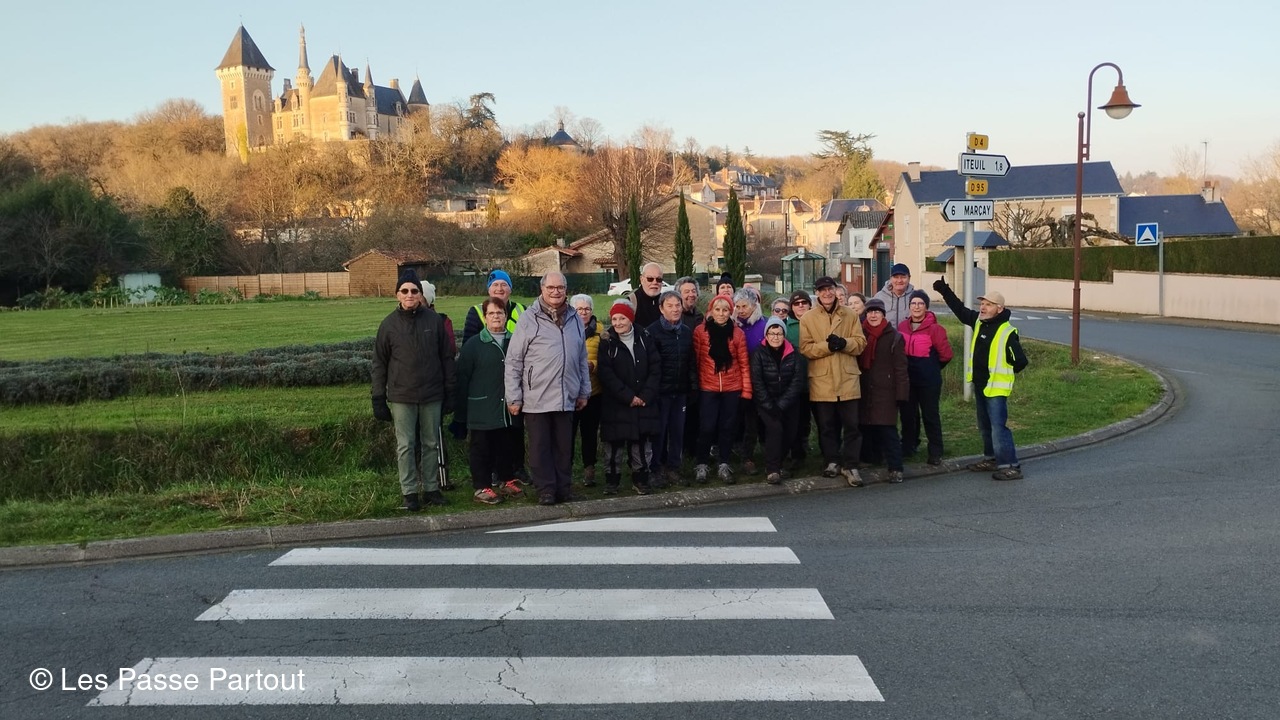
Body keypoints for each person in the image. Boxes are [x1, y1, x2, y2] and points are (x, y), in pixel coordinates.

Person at [371, 269, 457, 511]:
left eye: (414, 290)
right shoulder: (388, 325)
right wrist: (378, 397)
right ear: (397, 295)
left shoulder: (434, 322)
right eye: (405, 290)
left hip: (432, 394)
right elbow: (379, 363)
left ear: (421, 294)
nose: (409, 294)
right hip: (402, 395)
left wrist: (451, 391)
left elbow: (447, 357)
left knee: (431, 443)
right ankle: (409, 492)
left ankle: (431, 488)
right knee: (406, 445)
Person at [504, 271, 592, 504]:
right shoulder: (528, 319)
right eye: (551, 287)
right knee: (540, 447)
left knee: (564, 447)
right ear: (542, 289)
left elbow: (581, 358)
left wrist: (584, 391)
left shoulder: (574, 318)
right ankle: (546, 490)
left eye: (560, 287)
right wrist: (514, 397)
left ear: (566, 290)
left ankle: (563, 488)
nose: (555, 292)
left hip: (566, 395)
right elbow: (514, 360)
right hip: (537, 396)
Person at [933, 278, 1029, 481]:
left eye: (988, 305)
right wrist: (944, 290)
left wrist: (1005, 371)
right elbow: (960, 310)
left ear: (999, 309)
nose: (983, 308)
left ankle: (1011, 466)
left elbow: (1020, 361)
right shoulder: (979, 322)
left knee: (998, 428)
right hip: (980, 384)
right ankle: (991, 458)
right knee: (985, 426)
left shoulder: (1007, 332)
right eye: (982, 304)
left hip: (996, 388)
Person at [454, 297, 526, 505]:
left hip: (507, 406)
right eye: (491, 313)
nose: (496, 317)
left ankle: (506, 480)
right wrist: (460, 414)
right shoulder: (473, 345)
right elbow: (463, 379)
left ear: (506, 316)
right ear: (485, 317)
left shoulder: (515, 341)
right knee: (481, 448)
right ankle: (481, 487)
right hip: (482, 407)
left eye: (500, 313)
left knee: (506, 445)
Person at [799, 275, 867, 486]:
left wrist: (844, 343)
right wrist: (827, 347)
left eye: (830, 289)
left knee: (852, 425)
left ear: (835, 291)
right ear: (817, 293)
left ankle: (851, 464)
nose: (827, 293)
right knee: (827, 426)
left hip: (847, 378)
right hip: (822, 380)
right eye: (822, 290)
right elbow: (806, 348)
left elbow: (860, 343)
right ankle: (832, 461)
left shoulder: (850, 315)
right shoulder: (808, 318)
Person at [597, 299, 661, 495]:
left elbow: (655, 368)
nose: (618, 323)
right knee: (614, 446)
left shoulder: (645, 337)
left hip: (643, 402)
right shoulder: (607, 341)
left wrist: (644, 395)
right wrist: (628, 396)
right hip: (616, 403)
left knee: (641, 445)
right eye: (614, 319)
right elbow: (606, 374)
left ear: (630, 319)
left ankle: (640, 480)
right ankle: (612, 482)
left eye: (622, 318)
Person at [692, 295, 752, 484]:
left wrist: (746, 391)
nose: (721, 314)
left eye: (725, 310)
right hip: (708, 387)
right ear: (711, 311)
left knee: (727, 427)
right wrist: (695, 387)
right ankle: (701, 464)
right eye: (717, 309)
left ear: (730, 312)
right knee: (707, 427)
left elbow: (744, 363)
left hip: (732, 387)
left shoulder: (737, 333)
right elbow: (696, 361)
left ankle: (724, 463)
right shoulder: (701, 331)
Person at [749, 316, 808, 485]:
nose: (775, 337)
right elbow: (757, 382)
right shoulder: (758, 353)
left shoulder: (794, 353)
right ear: (766, 335)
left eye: (779, 333)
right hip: (766, 401)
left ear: (784, 334)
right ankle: (772, 469)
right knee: (775, 430)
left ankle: (779, 463)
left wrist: (782, 405)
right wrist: (770, 405)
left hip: (789, 401)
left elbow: (797, 380)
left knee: (790, 432)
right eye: (772, 333)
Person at [857, 298, 910, 484]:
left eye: (877, 312)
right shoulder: (859, 334)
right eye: (870, 312)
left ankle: (896, 468)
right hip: (863, 388)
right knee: (864, 426)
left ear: (883, 314)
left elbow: (901, 368)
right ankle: (869, 458)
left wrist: (901, 394)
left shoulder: (894, 337)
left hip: (886, 391)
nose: (873, 315)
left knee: (887, 429)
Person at [898, 289, 952, 465]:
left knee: (930, 416)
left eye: (920, 303)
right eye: (913, 303)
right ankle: (908, 446)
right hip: (908, 380)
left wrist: (931, 368)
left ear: (926, 307)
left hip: (928, 381)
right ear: (909, 306)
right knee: (907, 415)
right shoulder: (902, 326)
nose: (916, 307)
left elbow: (946, 355)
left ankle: (935, 451)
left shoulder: (935, 329)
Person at [647, 290, 695, 487]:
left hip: (680, 392)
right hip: (660, 393)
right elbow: (650, 365)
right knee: (658, 432)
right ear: (661, 308)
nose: (675, 309)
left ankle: (673, 468)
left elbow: (691, 362)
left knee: (677, 432)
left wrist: (692, 387)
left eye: (678, 305)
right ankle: (655, 468)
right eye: (670, 306)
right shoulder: (652, 331)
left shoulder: (686, 332)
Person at [570, 294, 603, 486]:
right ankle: (565, 469)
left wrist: (594, 365)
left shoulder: (601, 331)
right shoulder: (565, 328)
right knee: (567, 434)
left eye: (587, 309)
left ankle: (589, 469)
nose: (584, 312)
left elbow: (607, 358)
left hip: (593, 391)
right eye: (579, 309)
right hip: (570, 392)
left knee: (589, 433)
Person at [733, 287, 767, 474]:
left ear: (754, 305)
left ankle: (771, 455)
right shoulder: (734, 326)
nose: (741, 310)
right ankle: (747, 458)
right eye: (737, 306)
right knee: (749, 422)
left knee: (768, 420)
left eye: (744, 306)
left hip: (765, 380)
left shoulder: (766, 324)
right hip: (743, 381)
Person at [676, 275, 704, 461]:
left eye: (693, 291)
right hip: (680, 372)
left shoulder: (701, 318)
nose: (691, 295)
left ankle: (692, 449)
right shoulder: (675, 318)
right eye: (686, 291)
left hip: (699, 371)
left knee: (695, 413)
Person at [785, 289, 813, 472]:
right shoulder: (786, 327)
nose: (801, 306)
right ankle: (797, 454)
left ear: (810, 305)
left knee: (822, 420)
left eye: (804, 302)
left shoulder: (817, 322)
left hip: (818, 379)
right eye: (796, 303)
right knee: (798, 419)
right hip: (795, 382)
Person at [462, 268, 524, 344]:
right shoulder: (475, 312)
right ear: (489, 290)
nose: (499, 289)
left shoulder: (523, 310)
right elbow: (468, 344)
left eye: (504, 285)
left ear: (510, 289)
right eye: (495, 285)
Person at [630, 261, 665, 328]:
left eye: (659, 279)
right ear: (642, 279)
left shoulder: (666, 301)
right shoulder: (631, 302)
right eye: (650, 279)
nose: (655, 282)